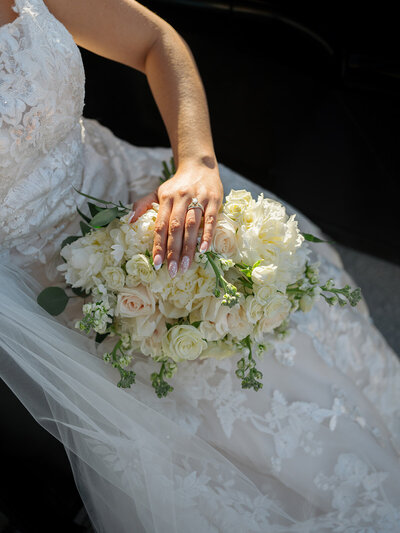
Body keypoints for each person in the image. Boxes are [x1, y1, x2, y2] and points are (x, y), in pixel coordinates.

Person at [0, 0, 399, 531]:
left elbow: (154, 41)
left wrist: (196, 163)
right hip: (40, 283)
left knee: (293, 322)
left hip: (130, 186)